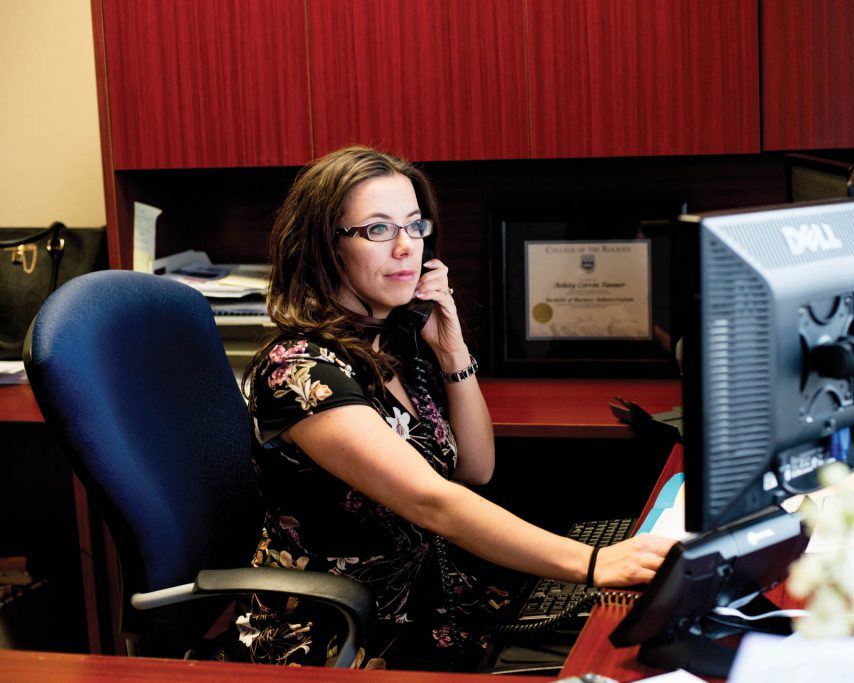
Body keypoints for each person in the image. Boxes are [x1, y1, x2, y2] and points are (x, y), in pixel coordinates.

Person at [232, 146, 675, 671]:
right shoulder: (299, 373)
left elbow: (475, 469)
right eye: (378, 230)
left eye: (415, 227)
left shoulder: (392, 340)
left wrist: (450, 350)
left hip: (426, 605)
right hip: (343, 637)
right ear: (324, 246)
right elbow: (432, 502)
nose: (406, 248)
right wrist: (594, 562)